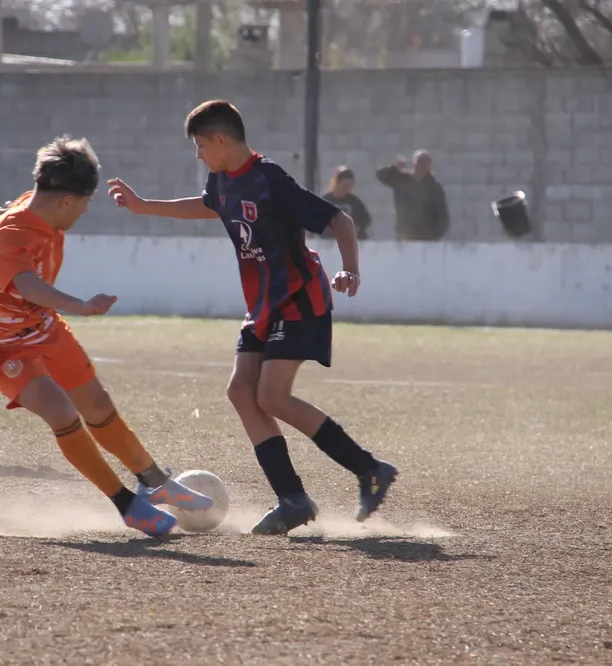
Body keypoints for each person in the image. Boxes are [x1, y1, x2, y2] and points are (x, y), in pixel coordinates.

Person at [107, 100, 398, 536]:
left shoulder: (270, 179)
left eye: (201, 145)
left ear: (222, 140)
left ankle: (369, 469)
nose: (199, 154)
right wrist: (144, 205)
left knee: (272, 396)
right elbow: (210, 206)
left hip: (299, 298)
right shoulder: (221, 178)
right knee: (242, 392)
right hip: (264, 304)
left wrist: (350, 269)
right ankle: (293, 499)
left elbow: (340, 220)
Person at [0, 136, 214, 538]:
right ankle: (127, 505)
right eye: (84, 203)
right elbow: (27, 285)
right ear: (65, 201)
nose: (83, 212)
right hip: (2, 340)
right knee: (62, 413)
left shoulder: (41, 204)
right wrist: (81, 305)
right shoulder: (12, 233)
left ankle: (155, 482)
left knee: (97, 405)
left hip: (44, 328)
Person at [375, 150, 450, 241]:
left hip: (427, 239)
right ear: (414, 163)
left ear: (429, 166)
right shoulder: (402, 179)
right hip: (405, 236)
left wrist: (435, 235)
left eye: (425, 163)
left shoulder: (434, 188)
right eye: (419, 162)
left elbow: (442, 215)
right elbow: (380, 175)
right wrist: (395, 168)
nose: (421, 166)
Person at [320, 166, 372, 241]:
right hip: (329, 242)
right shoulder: (325, 200)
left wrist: (358, 228)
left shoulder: (354, 202)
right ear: (336, 183)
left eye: (349, 186)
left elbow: (366, 219)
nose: (346, 189)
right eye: (344, 185)